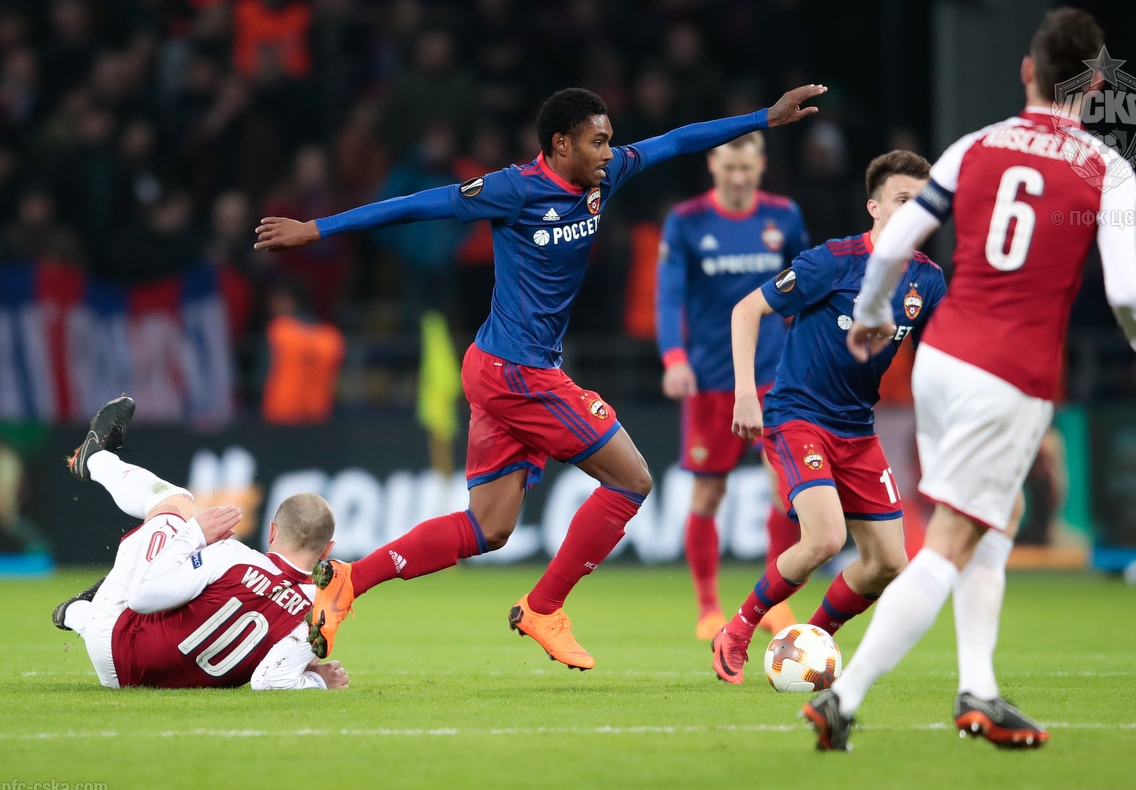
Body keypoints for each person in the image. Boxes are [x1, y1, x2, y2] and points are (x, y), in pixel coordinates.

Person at [255, 83, 828, 670]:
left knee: (488, 527)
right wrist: (315, 229)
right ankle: (543, 607)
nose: (609, 152)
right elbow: (416, 204)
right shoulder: (513, 189)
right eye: (597, 142)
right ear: (561, 144)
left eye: (610, 141)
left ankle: (349, 580)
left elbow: (679, 141)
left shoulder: (607, 176)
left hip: (503, 368)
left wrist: (764, 116)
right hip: (517, 372)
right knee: (632, 479)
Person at [805, 8, 1136, 751]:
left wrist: (870, 312)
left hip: (941, 361)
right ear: (1095, 87)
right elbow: (1127, 289)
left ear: (1028, 71)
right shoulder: (1106, 168)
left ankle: (978, 689)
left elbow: (897, 242)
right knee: (951, 538)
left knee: (994, 520)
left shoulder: (973, 146)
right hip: (1010, 376)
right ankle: (844, 696)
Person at [710, 150, 946, 684]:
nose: (915, 212)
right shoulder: (833, 261)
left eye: (924, 204)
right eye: (903, 200)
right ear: (874, 207)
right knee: (824, 539)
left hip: (857, 429)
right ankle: (738, 630)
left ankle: (811, 640)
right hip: (798, 416)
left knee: (890, 562)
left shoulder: (928, 281)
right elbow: (746, 310)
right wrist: (745, 394)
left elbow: (943, 355)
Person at [53, 397, 349, 691]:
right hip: (150, 680)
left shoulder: (232, 556)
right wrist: (316, 680)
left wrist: (193, 534)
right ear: (327, 550)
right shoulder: (316, 608)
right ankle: (77, 612)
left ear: (272, 532)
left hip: (115, 644)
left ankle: (95, 459)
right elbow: (273, 675)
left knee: (175, 501)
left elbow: (142, 598)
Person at [655, 130, 810, 640]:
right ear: (713, 166)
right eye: (729, 169)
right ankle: (708, 608)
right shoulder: (686, 221)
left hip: (774, 377)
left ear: (761, 166)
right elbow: (669, 296)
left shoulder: (784, 216)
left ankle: (775, 604)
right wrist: (674, 358)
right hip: (711, 380)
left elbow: (806, 289)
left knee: (785, 487)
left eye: (747, 168)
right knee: (708, 492)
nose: (739, 178)